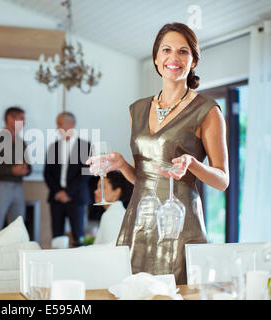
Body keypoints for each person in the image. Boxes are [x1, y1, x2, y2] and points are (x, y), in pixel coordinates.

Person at [88, 22, 229, 284]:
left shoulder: (208, 110)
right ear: (156, 57)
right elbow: (145, 179)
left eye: (183, 52)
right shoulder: (137, 109)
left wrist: (193, 164)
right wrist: (120, 163)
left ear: (193, 60)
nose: (173, 58)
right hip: (138, 223)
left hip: (179, 224)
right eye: (166, 50)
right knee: (131, 290)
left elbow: (222, 180)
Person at [0, 106, 31, 239]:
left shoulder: (21, 142)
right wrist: (11, 170)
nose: (24, 122)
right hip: (0, 187)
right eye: (21, 118)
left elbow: (29, 167)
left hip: (18, 188)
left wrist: (24, 170)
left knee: (18, 227)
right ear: (10, 118)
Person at [44, 112, 91, 247]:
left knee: (78, 237)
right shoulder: (54, 146)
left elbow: (86, 173)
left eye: (59, 124)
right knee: (57, 237)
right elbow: (48, 174)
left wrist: (68, 193)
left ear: (71, 124)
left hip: (76, 197)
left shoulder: (85, 146)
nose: (57, 127)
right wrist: (58, 192)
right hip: (56, 197)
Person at [93, 171, 133, 245]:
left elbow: (110, 250)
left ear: (117, 192)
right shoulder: (119, 212)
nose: (96, 191)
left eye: (102, 187)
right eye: (97, 187)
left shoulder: (111, 215)